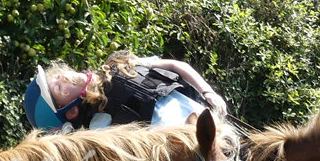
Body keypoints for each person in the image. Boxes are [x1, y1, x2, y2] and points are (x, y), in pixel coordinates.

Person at [24, 50, 227, 132]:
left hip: (207, 117)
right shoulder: (99, 125)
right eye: (59, 88)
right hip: (189, 144)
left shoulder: (120, 66)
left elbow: (175, 66)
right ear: (71, 112)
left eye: (58, 76)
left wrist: (208, 92)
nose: (63, 78)